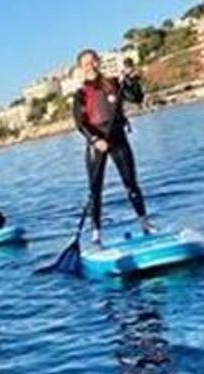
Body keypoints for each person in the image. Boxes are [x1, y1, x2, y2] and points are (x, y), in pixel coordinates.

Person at [72, 48, 154, 246]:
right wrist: (94, 140)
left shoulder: (114, 83)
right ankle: (96, 234)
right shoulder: (80, 93)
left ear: (98, 62)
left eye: (93, 62)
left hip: (117, 138)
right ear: (81, 68)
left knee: (131, 183)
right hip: (96, 144)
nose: (90, 66)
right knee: (95, 190)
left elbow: (136, 98)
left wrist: (132, 81)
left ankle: (144, 223)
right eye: (85, 64)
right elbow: (80, 123)